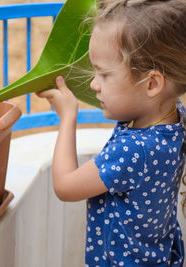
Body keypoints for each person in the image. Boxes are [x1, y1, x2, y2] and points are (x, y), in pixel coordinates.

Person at [36, 0, 186, 266]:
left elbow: (65, 186)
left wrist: (68, 116)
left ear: (151, 83)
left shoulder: (133, 150)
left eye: (104, 74)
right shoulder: (173, 117)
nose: (93, 84)